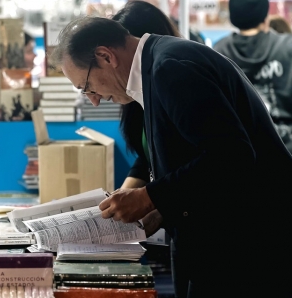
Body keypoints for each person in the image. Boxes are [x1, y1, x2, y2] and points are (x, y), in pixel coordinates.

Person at [50, 15, 292, 297]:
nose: (94, 99)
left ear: (105, 56)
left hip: (250, 247)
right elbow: (193, 156)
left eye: (87, 86)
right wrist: (160, 210)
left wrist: (149, 196)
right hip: (223, 241)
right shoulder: (158, 65)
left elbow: (231, 157)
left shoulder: (170, 68)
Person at [110, 2, 188, 297]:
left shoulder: (170, 73)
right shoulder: (133, 95)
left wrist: (149, 200)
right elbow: (146, 158)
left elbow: (215, 159)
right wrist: (120, 197)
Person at [214, 0, 292, 154]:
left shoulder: (218, 52)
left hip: (242, 151)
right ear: (265, 17)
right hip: (286, 147)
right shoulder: (287, 46)